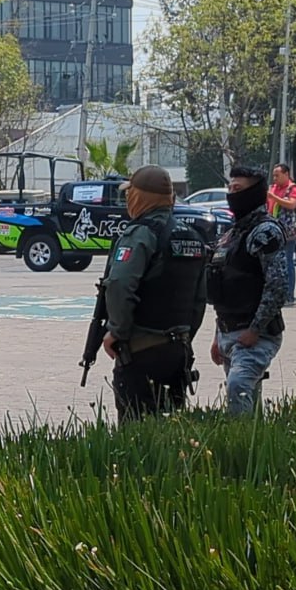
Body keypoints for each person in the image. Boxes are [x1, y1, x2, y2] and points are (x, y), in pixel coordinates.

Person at [99, 165, 209, 422]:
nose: (127, 199)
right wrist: (184, 335)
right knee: (169, 433)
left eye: (131, 193)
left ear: (139, 196)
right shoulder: (191, 236)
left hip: (141, 352)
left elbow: (119, 285)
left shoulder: (141, 234)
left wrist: (117, 331)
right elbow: (199, 299)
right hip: (179, 351)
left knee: (136, 438)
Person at [207, 165, 288, 415]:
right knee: (247, 395)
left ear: (255, 192)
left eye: (238, 189)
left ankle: (239, 445)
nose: (232, 193)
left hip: (255, 334)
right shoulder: (231, 234)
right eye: (230, 188)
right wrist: (216, 336)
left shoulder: (265, 232)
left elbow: (277, 286)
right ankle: (255, 441)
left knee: (238, 386)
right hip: (228, 331)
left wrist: (256, 330)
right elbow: (224, 285)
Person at [267, 163, 296, 306]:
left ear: (286, 174)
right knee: (274, 264)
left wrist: (274, 197)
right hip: (273, 230)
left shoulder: (292, 188)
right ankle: (277, 295)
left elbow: (292, 204)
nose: (274, 178)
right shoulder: (274, 188)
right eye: (273, 175)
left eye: (277, 175)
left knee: (287, 262)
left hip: (288, 231)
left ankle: (289, 296)